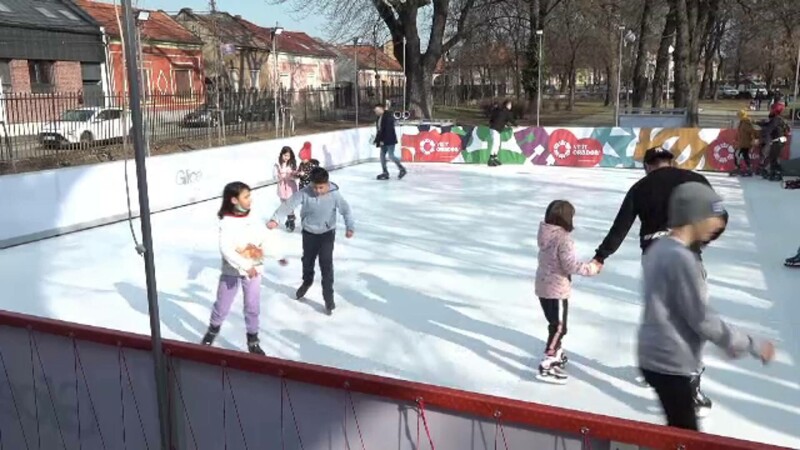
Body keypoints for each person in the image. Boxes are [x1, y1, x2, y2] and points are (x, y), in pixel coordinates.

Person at [592, 147, 728, 415]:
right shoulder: (695, 179)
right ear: (671, 162)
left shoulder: (640, 187)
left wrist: (601, 256)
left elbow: (620, 226)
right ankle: (691, 387)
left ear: (647, 166)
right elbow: (720, 215)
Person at [639, 182, 775, 431]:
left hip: (653, 353)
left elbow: (675, 307)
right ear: (695, 216)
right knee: (685, 436)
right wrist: (749, 344)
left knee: (679, 430)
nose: (717, 226)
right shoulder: (682, 259)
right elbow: (702, 319)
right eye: (713, 217)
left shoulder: (659, 248)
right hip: (671, 362)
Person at [202, 181, 288, 355]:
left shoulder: (252, 217)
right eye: (246, 196)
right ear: (234, 200)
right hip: (232, 271)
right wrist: (245, 265)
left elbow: (263, 237)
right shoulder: (227, 222)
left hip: (254, 268)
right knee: (222, 305)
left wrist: (277, 255)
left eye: (250, 196)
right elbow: (226, 249)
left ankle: (253, 340)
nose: (250, 200)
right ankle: (213, 330)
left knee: (252, 306)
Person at [268, 168, 355, 315]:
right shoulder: (304, 193)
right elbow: (288, 205)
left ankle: (329, 298)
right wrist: (276, 219)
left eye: (321, 187)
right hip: (309, 234)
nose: (317, 190)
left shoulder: (334, 194)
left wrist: (349, 226)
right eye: (314, 187)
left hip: (327, 234)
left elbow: (345, 210)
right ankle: (307, 281)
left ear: (327, 184)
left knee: (326, 264)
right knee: (307, 260)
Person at [535, 200, 601, 384]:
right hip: (556, 289)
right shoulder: (563, 239)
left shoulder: (545, 234)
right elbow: (570, 265)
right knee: (559, 327)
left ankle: (557, 352)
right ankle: (548, 361)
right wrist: (591, 268)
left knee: (554, 322)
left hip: (542, 287)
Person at [374, 103, 406, 180]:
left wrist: (382, 140)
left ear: (382, 109)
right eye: (375, 111)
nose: (376, 112)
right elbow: (379, 130)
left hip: (389, 140)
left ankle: (402, 169)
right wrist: (377, 140)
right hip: (383, 140)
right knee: (382, 156)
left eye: (377, 110)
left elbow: (387, 130)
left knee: (391, 155)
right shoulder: (379, 117)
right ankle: (385, 172)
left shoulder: (388, 117)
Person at [757, 103, 788, 181]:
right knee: (773, 157)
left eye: (771, 109)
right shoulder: (778, 119)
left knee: (773, 158)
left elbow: (769, 128)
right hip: (779, 140)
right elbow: (768, 125)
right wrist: (758, 123)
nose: (770, 110)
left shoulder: (776, 119)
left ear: (775, 110)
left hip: (777, 141)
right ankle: (774, 172)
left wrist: (762, 137)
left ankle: (776, 173)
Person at [274, 146, 299, 231]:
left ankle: (291, 220)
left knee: (289, 204)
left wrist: (292, 176)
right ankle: (290, 217)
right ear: (281, 155)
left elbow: (295, 174)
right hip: (282, 186)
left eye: (288, 156)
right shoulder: (277, 164)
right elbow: (274, 175)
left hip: (290, 186)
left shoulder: (292, 164)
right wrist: (278, 177)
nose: (286, 158)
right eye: (285, 155)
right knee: (284, 203)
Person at [487, 99, 516, 167]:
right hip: (495, 129)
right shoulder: (506, 111)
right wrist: (516, 125)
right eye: (510, 105)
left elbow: (499, 118)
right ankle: (491, 159)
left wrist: (504, 124)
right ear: (507, 105)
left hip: (493, 128)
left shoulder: (499, 110)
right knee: (495, 143)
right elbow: (510, 119)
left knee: (497, 144)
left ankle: (495, 157)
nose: (511, 106)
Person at [731, 110, 757, 177]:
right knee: (743, 155)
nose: (738, 117)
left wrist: (753, 140)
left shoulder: (746, 122)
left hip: (745, 143)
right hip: (742, 142)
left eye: (739, 115)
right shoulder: (742, 122)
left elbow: (752, 132)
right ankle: (747, 168)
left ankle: (739, 168)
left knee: (737, 154)